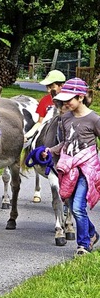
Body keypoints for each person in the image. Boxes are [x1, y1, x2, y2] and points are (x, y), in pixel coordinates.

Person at [41, 78, 100, 256]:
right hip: (70, 168)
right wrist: (49, 150)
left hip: (86, 168)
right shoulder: (64, 119)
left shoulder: (94, 119)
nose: (66, 103)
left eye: (70, 99)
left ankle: (83, 245)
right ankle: (92, 233)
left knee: (76, 208)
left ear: (81, 97)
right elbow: (67, 143)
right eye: (64, 99)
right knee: (73, 204)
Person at [24, 70, 66, 140]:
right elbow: (40, 122)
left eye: (52, 87)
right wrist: (27, 135)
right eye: (47, 87)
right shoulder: (45, 100)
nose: (48, 90)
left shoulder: (69, 101)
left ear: (61, 86)